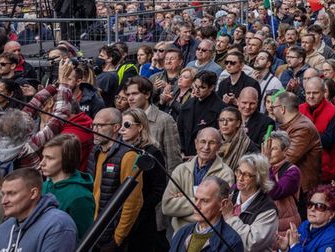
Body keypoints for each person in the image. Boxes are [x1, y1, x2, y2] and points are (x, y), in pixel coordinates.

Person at [162, 127, 235, 231]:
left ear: (219, 146)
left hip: (208, 234)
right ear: (196, 143)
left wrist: (183, 203)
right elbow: (167, 206)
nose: (206, 147)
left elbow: (219, 211)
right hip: (179, 233)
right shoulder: (181, 170)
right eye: (203, 142)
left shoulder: (226, 173)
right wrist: (205, 202)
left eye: (212, 143)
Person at [91, 107, 143, 252]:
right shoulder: (96, 151)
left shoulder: (129, 155)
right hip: (93, 230)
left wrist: (118, 238)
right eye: (93, 125)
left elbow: (133, 202)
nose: (95, 129)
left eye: (100, 126)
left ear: (115, 127)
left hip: (111, 235)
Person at [120, 108, 169, 252]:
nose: (122, 129)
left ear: (140, 127)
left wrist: (140, 209)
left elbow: (158, 188)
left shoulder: (152, 152)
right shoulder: (119, 149)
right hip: (120, 217)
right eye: (121, 125)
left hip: (142, 219)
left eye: (127, 125)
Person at [0, 168, 78, 250]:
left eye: (12, 193)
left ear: (33, 193)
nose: (4, 201)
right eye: (3, 194)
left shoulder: (57, 225)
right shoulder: (3, 229)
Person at [38, 134, 94, 239]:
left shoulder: (80, 196)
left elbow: (84, 238)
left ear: (67, 160)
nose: (42, 163)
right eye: (43, 157)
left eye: (49, 158)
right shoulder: (44, 186)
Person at [169, 176, 245, 252]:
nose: (197, 206)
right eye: (196, 199)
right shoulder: (182, 232)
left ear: (223, 204)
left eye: (205, 201)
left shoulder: (232, 242)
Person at [223, 153, 279, 252]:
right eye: (239, 172)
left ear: (259, 179)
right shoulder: (230, 196)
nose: (240, 178)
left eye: (246, 175)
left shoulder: (268, 209)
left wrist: (230, 217)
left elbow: (250, 243)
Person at [275, 184, 335, 252]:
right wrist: (286, 249)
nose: (312, 209)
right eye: (310, 204)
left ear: (331, 213)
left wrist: (294, 245)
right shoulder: (305, 225)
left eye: (319, 206)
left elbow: (296, 248)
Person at [178, 70, 225, 156]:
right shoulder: (188, 104)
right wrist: (181, 150)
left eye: (202, 87)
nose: (197, 90)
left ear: (211, 87)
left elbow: (220, 139)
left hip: (206, 155)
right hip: (185, 155)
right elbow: (179, 130)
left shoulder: (221, 108)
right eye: (195, 86)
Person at [219, 106, 258, 170]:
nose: (224, 123)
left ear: (238, 123)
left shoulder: (248, 146)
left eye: (230, 120)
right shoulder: (213, 139)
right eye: (221, 120)